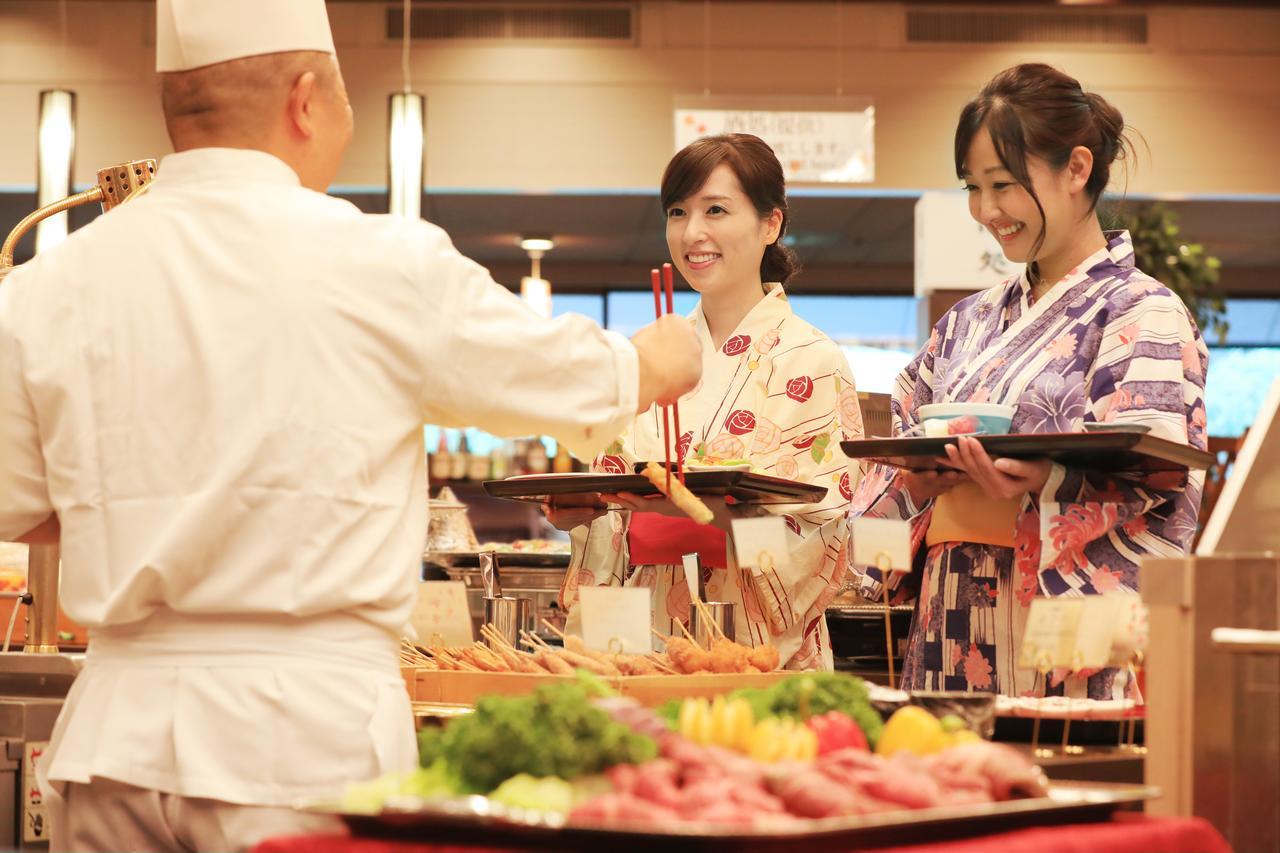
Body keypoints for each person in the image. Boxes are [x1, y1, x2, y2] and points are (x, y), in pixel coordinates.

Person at [0, 1, 701, 850]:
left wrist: (155, 508)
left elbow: (24, 506)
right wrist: (665, 355)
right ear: (305, 100)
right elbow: (578, 376)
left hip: (113, 742)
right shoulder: (382, 261)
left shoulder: (46, 284)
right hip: (301, 739)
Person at [850, 63, 1208, 699]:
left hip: (1059, 623)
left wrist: (1047, 480)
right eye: (973, 188)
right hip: (950, 607)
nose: (987, 211)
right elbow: (901, 437)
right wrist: (917, 476)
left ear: (1076, 169)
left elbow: (1161, 475)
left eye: (1006, 185)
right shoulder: (967, 320)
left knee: (1058, 777)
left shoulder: (1142, 310)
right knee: (953, 781)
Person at [547, 134, 861, 671]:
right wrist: (587, 512)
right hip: (640, 633)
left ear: (770, 224)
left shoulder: (811, 360)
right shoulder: (651, 352)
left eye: (716, 210)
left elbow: (826, 532)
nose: (693, 233)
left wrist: (715, 518)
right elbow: (611, 495)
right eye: (678, 212)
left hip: (746, 640)